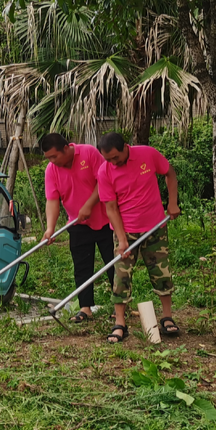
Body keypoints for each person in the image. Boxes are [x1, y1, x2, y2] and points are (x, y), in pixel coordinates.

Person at [96, 132, 181, 343]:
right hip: (126, 230)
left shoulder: (148, 155)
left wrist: (172, 202)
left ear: (126, 147)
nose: (112, 162)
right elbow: (111, 207)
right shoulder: (104, 171)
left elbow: (169, 173)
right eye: (108, 159)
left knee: (161, 271)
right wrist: (122, 239)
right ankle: (120, 323)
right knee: (121, 275)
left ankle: (167, 318)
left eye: (115, 157)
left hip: (155, 226)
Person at [40, 132, 114, 323]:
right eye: (48, 158)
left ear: (66, 148)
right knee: (82, 267)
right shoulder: (51, 170)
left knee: (113, 265)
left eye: (54, 156)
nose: (52, 161)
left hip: (107, 221)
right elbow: (52, 200)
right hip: (78, 224)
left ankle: (119, 305)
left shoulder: (88, 153)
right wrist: (50, 228)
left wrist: (89, 204)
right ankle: (85, 308)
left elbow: (103, 181)